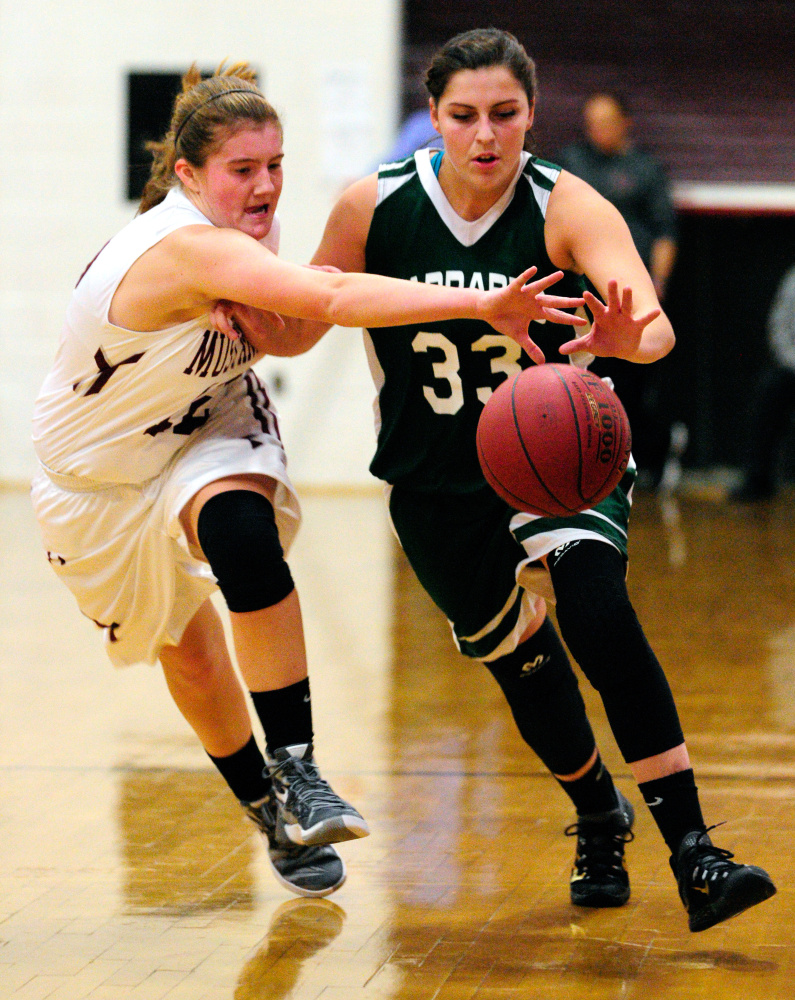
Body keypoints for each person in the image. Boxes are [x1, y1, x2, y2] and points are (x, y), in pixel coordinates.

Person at [224, 28, 774, 930]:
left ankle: (696, 854)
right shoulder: (375, 207)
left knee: (598, 613)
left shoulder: (565, 202)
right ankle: (599, 812)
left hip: (556, 461)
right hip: (435, 476)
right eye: (464, 115)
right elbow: (304, 322)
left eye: (505, 115)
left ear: (532, 114)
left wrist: (619, 337)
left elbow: (655, 328)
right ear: (432, 118)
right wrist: (236, 299)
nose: (485, 136)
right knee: (524, 666)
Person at [30, 62, 586, 901]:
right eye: (242, 170)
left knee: (244, 544)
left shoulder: (247, 236)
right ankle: (266, 807)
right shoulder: (184, 247)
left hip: (205, 427)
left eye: (275, 165)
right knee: (187, 656)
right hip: (95, 478)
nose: (264, 187)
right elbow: (325, 296)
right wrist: (474, 307)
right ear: (188, 176)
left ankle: (299, 767)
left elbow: (296, 318)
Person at [556, 91, 679, 489]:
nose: (599, 131)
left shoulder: (645, 168)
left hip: (630, 296)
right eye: (592, 122)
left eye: (607, 121)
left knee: (636, 387)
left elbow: (665, 232)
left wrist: (656, 288)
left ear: (625, 122)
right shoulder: (571, 163)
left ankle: (647, 464)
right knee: (584, 382)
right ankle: (588, 463)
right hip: (581, 296)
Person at [730, 263, 795, 501]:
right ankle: (758, 480)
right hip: (792, 366)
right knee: (769, 390)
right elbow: (778, 327)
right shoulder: (793, 278)